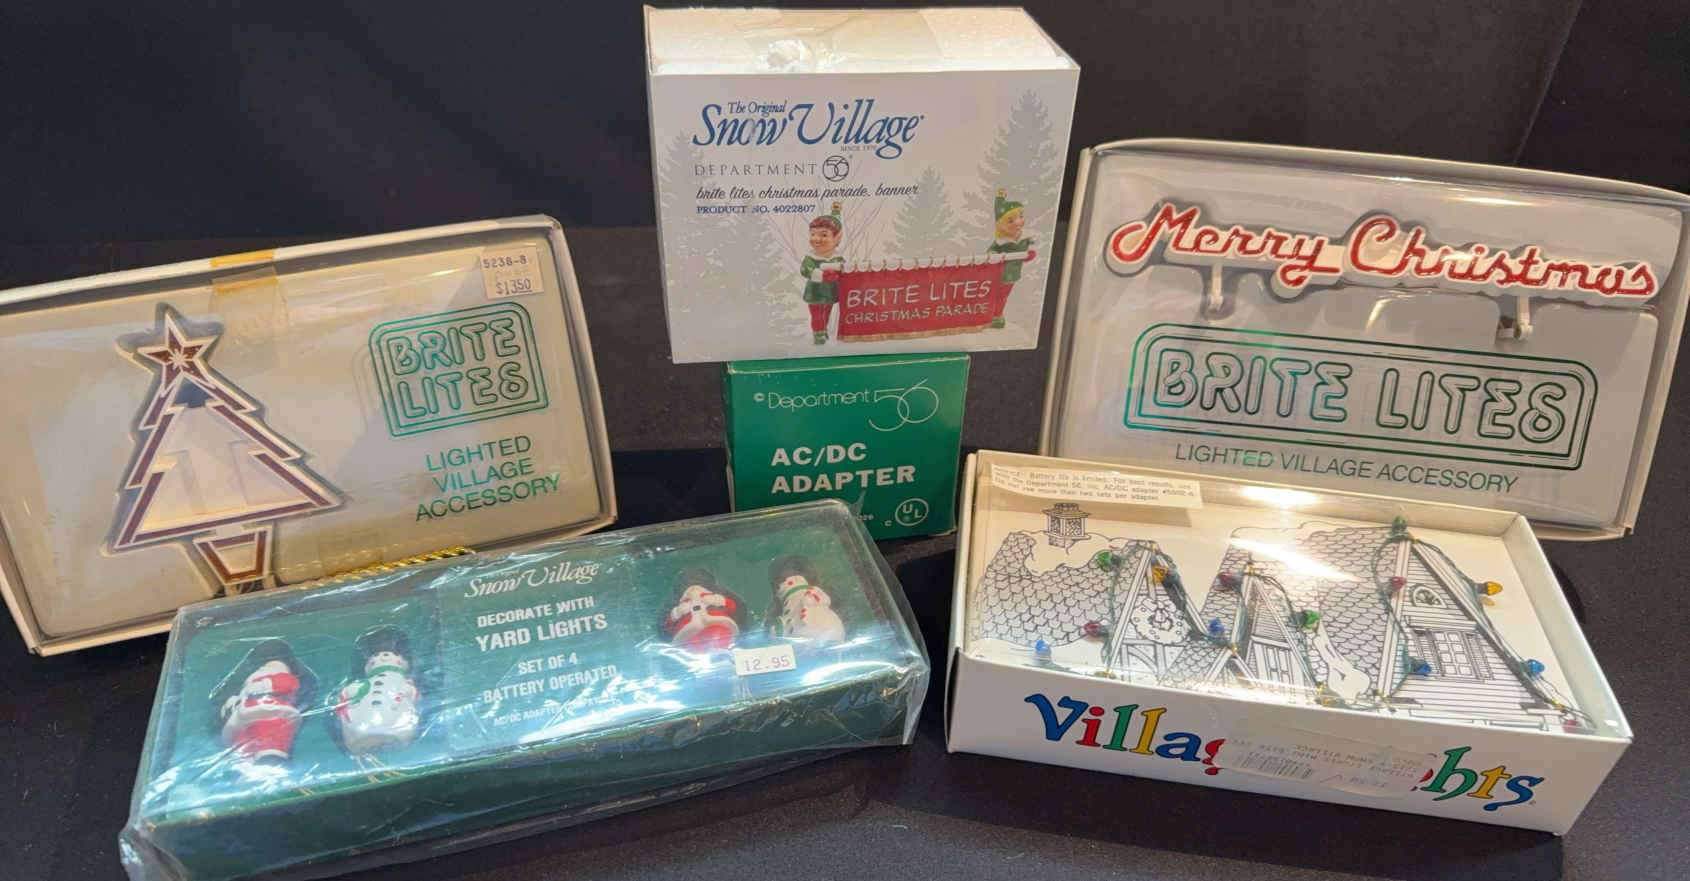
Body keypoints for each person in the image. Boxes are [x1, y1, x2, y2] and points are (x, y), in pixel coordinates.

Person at [986, 188, 1036, 329]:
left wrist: (1028, 255)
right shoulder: (1001, 241)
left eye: (1021, 216)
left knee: (1003, 296)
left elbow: (1026, 252)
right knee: (993, 295)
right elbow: (991, 251)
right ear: (1000, 224)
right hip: (998, 274)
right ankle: (989, 315)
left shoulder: (1024, 238)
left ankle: (997, 316)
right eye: (1011, 220)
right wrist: (993, 255)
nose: (1018, 222)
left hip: (1012, 274)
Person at [800, 202, 846, 344]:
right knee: (817, 314)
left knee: (827, 312)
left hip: (830, 292)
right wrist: (821, 275)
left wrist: (841, 274)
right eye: (813, 234)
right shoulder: (811, 257)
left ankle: (823, 330)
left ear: (837, 238)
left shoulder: (837, 257)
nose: (817, 239)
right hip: (815, 291)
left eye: (824, 235)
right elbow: (805, 269)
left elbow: (843, 270)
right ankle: (818, 333)